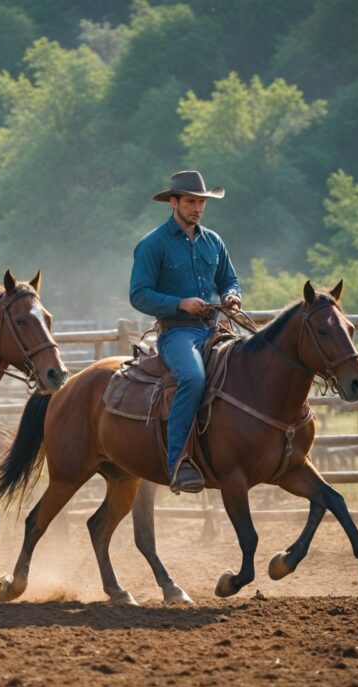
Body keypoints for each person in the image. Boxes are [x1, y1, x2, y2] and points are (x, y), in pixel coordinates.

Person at [129, 170, 242, 494]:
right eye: (191, 201)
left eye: (201, 202)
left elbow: (229, 280)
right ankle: (178, 461)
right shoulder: (153, 245)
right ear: (174, 203)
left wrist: (232, 295)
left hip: (214, 327)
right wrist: (181, 304)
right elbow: (139, 294)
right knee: (192, 378)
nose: (197, 207)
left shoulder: (213, 242)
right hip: (177, 333)